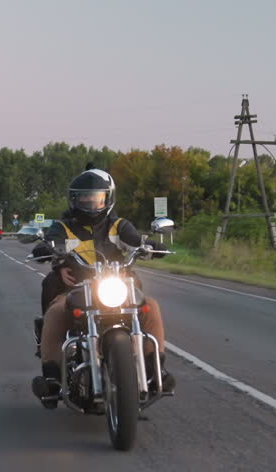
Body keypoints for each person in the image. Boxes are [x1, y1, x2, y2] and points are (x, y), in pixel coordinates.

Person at [30, 167, 175, 407]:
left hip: (116, 288)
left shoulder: (118, 225)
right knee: (56, 313)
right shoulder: (63, 226)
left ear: (107, 198)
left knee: (151, 306)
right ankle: (52, 379)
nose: (89, 201)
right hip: (77, 289)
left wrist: (150, 246)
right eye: (83, 196)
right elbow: (51, 243)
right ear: (74, 199)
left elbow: (135, 241)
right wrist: (47, 252)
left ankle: (154, 370)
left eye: (95, 196)